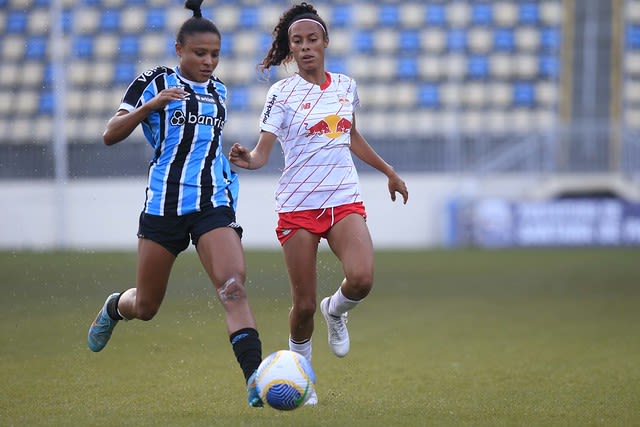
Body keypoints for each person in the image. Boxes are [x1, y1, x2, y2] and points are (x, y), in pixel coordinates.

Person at [229, 2, 408, 405]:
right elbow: (262, 152)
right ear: (289, 49)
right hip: (298, 207)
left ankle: (337, 310)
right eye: (297, 42)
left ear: (325, 41)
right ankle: (302, 378)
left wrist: (389, 171)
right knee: (303, 305)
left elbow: (350, 135)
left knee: (361, 279)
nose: (306, 47)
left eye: (312, 39)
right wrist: (249, 161)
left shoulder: (346, 86)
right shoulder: (282, 93)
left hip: (344, 199)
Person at [87, 0, 264, 407]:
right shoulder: (152, 82)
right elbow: (109, 134)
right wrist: (151, 107)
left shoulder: (220, 92)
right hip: (164, 207)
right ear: (179, 49)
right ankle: (116, 307)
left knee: (233, 288)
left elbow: (204, 148)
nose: (208, 61)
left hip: (211, 204)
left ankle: (255, 378)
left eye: (215, 55)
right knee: (146, 306)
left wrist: (234, 158)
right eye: (200, 53)